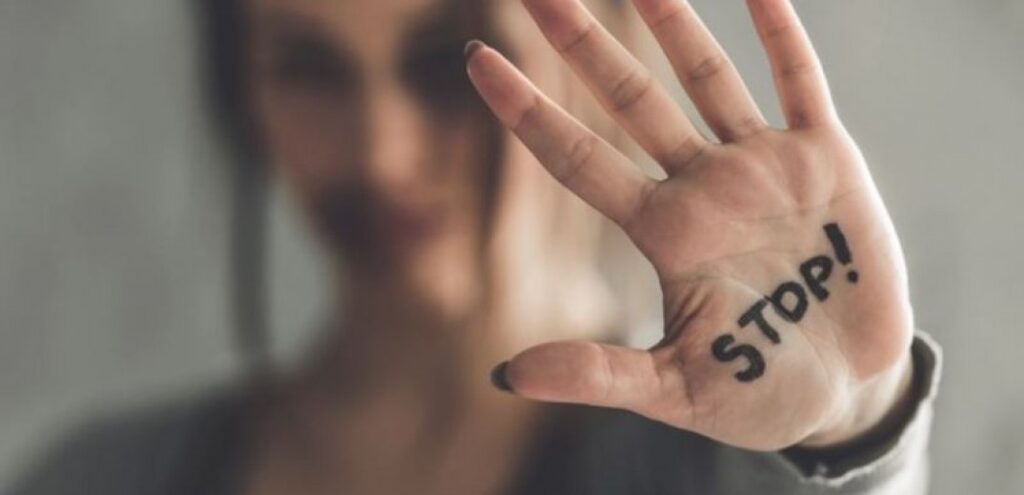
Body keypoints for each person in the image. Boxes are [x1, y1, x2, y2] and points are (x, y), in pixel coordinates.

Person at [7, 0, 941, 494]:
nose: (380, 152)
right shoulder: (98, 478)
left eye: (446, 65)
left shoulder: (711, 471)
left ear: (591, 58)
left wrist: (853, 424)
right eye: (307, 68)